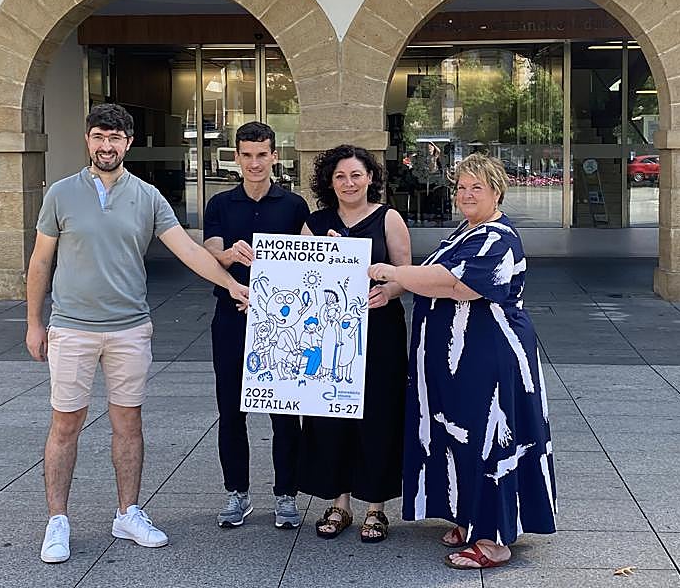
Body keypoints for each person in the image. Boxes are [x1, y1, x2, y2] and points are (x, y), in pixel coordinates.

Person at [25, 103, 249, 565]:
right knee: (65, 424)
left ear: (128, 143)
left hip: (129, 330)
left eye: (115, 139)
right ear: (88, 140)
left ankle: (127, 513)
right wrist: (34, 322)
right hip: (71, 328)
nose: (106, 147)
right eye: (98, 137)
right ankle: (57, 521)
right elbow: (41, 261)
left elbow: (187, 249)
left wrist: (230, 285)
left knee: (128, 424)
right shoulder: (61, 195)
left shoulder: (147, 196)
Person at [368, 153, 556, 570]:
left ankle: (492, 540)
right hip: (461, 360)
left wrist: (394, 273)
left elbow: (458, 286)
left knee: (489, 436)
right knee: (460, 434)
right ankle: (470, 518)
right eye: (462, 188)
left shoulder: (499, 238)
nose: (467, 195)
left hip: (488, 358)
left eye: (478, 188)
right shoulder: (467, 230)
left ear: (497, 191)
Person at [298, 145, 411, 543]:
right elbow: (301, 282)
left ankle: (376, 508)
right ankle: (338, 502)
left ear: (370, 179)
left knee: (379, 416)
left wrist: (389, 290)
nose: (349, 183)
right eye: (341, 176)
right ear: (330, 182)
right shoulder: (315, 223)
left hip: (380, 331)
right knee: (330, 415)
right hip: (332, 333)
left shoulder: (388, 218)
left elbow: (405, 275)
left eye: (356, 175)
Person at [203, 121, 310, 530]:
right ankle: (238, 493)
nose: (254, 163)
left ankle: (286, 495)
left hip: (281, 325)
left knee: (284, 411)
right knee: (231, 409)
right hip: (231, 316)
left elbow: (312, 250)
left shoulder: (294, 205)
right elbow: (211, 248)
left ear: (274, 156)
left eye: (261, 154)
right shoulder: (220, 204)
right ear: (236, 157)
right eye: (246, 155)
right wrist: (229, 253)